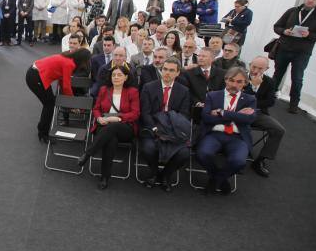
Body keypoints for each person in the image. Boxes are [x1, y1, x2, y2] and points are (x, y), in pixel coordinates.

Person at [77, 64, 140, 190]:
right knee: (110, 140)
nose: (116, 77)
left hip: (124, 126)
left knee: (113, 127)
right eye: (113, 75)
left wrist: (118, 118)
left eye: (119, 75)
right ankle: (104, 177)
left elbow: (135, 113)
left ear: (126, 77)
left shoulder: (132, 92)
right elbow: (96, 109)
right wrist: (99, 118)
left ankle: (88, 153)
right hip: (104, 123)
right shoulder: (104, 89)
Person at [197, 67, 257, 194]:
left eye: (239, 82)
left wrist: (222, 112)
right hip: (214, 134)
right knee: (203, 154)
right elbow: (206, 117)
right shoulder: (212, 96)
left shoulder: (250, 99)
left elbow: (249, 120)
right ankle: (221, 179)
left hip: (237, 137)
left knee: (239, 161)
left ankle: (216, 179)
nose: (234, 85)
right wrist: (236, 115)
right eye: (231, 80)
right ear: (226, 80)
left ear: (245, 83)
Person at [271, 0, 316, 114]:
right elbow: (277, 26)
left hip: (302, 52)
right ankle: (269, 96)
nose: (310, 0)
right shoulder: (292, 11)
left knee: (297, 78)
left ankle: (294, 104)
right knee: (277, 74)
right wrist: (284, 31)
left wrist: (310, 35)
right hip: (284, 48)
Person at [139, 58, 191, 192]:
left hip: (174, 131)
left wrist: (170, 130)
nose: (167, 73)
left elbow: (184, 115)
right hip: (153, 128)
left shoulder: (183, 90)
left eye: (171, 70)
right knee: (148, 149)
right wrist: (155, 128)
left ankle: (166, 176)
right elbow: (145, 113)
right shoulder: (149, 87)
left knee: (184, 153)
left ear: (178, 73)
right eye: (165, 69)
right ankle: (154, 173)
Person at [25, 48, 92, 143]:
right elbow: (66, 86)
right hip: (36, 77)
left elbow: (62, 81)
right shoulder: (69, 63)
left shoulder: (66, 57)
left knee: (49, 103)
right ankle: (43, 133)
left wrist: (69, 101)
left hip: (35, 73)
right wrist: (72, 104)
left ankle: (42, 128)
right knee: (49, 105)